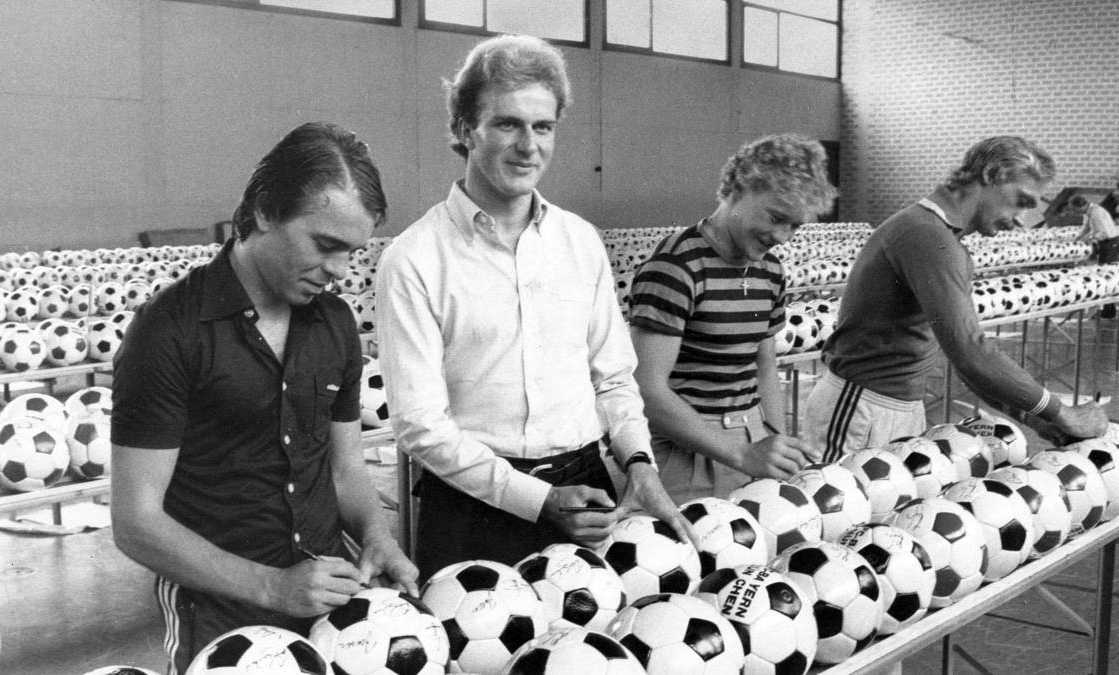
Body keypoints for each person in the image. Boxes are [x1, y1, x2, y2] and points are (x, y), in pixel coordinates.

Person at [374, 34, 695, 581]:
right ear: (462, 130)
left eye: (542, 127)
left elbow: (614, 378)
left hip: (591, 489)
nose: (529, 145)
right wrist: (537, 498)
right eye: (507, 124)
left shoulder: (580, 242)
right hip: (473, 506)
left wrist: (639, 464)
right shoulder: (413, 259)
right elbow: (420, 425)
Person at [110, 122, 417, 673]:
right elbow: (136, 522)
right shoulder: (168, 331)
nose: (340, 272)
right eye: (325, 246)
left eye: (353, 252)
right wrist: (274, 588)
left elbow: (345, 471)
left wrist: (376, 537)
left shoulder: (336, 324)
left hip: (334, 598)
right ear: (264, 212)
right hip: (222, 612)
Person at [804, 136, 1109, 461]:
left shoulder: (941, 238)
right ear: (991, 174)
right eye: (1020, 201)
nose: (1021, 218)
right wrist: (1060, 411)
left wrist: (1029, 415)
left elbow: (958, 356)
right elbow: (970, 352)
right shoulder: (926, 234)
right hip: (860, 408)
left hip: (894, 406)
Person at [628, 134, 835, 502]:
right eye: (776, 218)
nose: (782, 237)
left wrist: (774, 438)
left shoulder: (769, 270)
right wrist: (742, 454)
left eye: (795, 226)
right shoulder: (676, 267)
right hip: (684, 446)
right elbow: (646, 389)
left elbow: (764, 363)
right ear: (738, 189)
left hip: (751, 433)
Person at [1070, 193, 1119, 318]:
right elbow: (1086, 227)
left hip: (1110, 243)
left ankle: (1109, 310)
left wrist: (1092, 239)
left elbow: (1105, 232)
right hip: (1105, 243)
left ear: (1080, 206)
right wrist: (1078, 238)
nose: (1075, 212)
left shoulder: (1096, 212)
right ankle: (1108, 310)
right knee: (1103, 273)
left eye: (1075, 209)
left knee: (1106, 275)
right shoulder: (1089, 212)